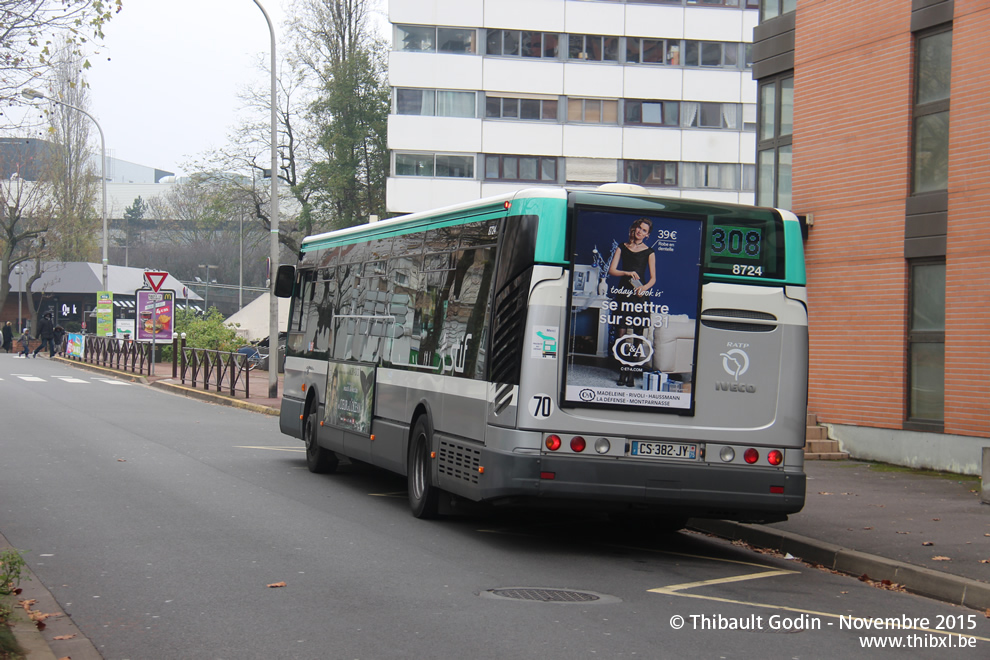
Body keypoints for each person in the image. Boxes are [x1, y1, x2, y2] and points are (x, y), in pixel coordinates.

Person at [607, 217, 657, 387]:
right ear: (634, 229)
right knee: (620, 334)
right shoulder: (622, 247)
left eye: (644, 230)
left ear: (648, 235)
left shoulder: (650, 252)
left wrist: (644, 288)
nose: (640, 232)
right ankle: (622, 370)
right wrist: (627, 273)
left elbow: (653, 279)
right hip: (623, 294)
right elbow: (612, 270)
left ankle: (631, 373)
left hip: (640, 295)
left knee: (637, 336)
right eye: (638, 228)